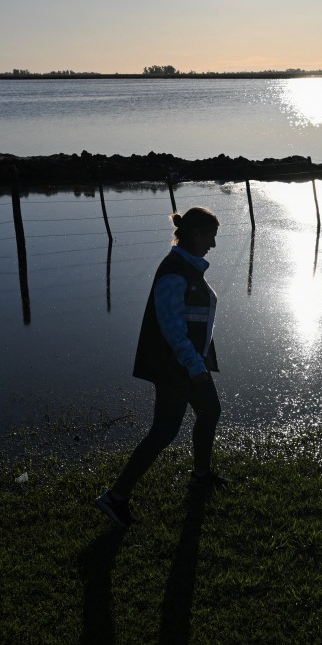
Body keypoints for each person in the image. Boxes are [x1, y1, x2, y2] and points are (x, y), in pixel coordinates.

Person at [96, 207, 229, 528]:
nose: (213, 244)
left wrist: (198, 361)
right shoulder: (174, 271)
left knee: (209, 412)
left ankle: (200, 476)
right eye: (210, 236)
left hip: (192, 363)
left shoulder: (188, 266)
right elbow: (171, 327)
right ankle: (115, 497)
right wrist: (193, 366)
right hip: (179, 367)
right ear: (196, 234)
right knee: (165, 430)